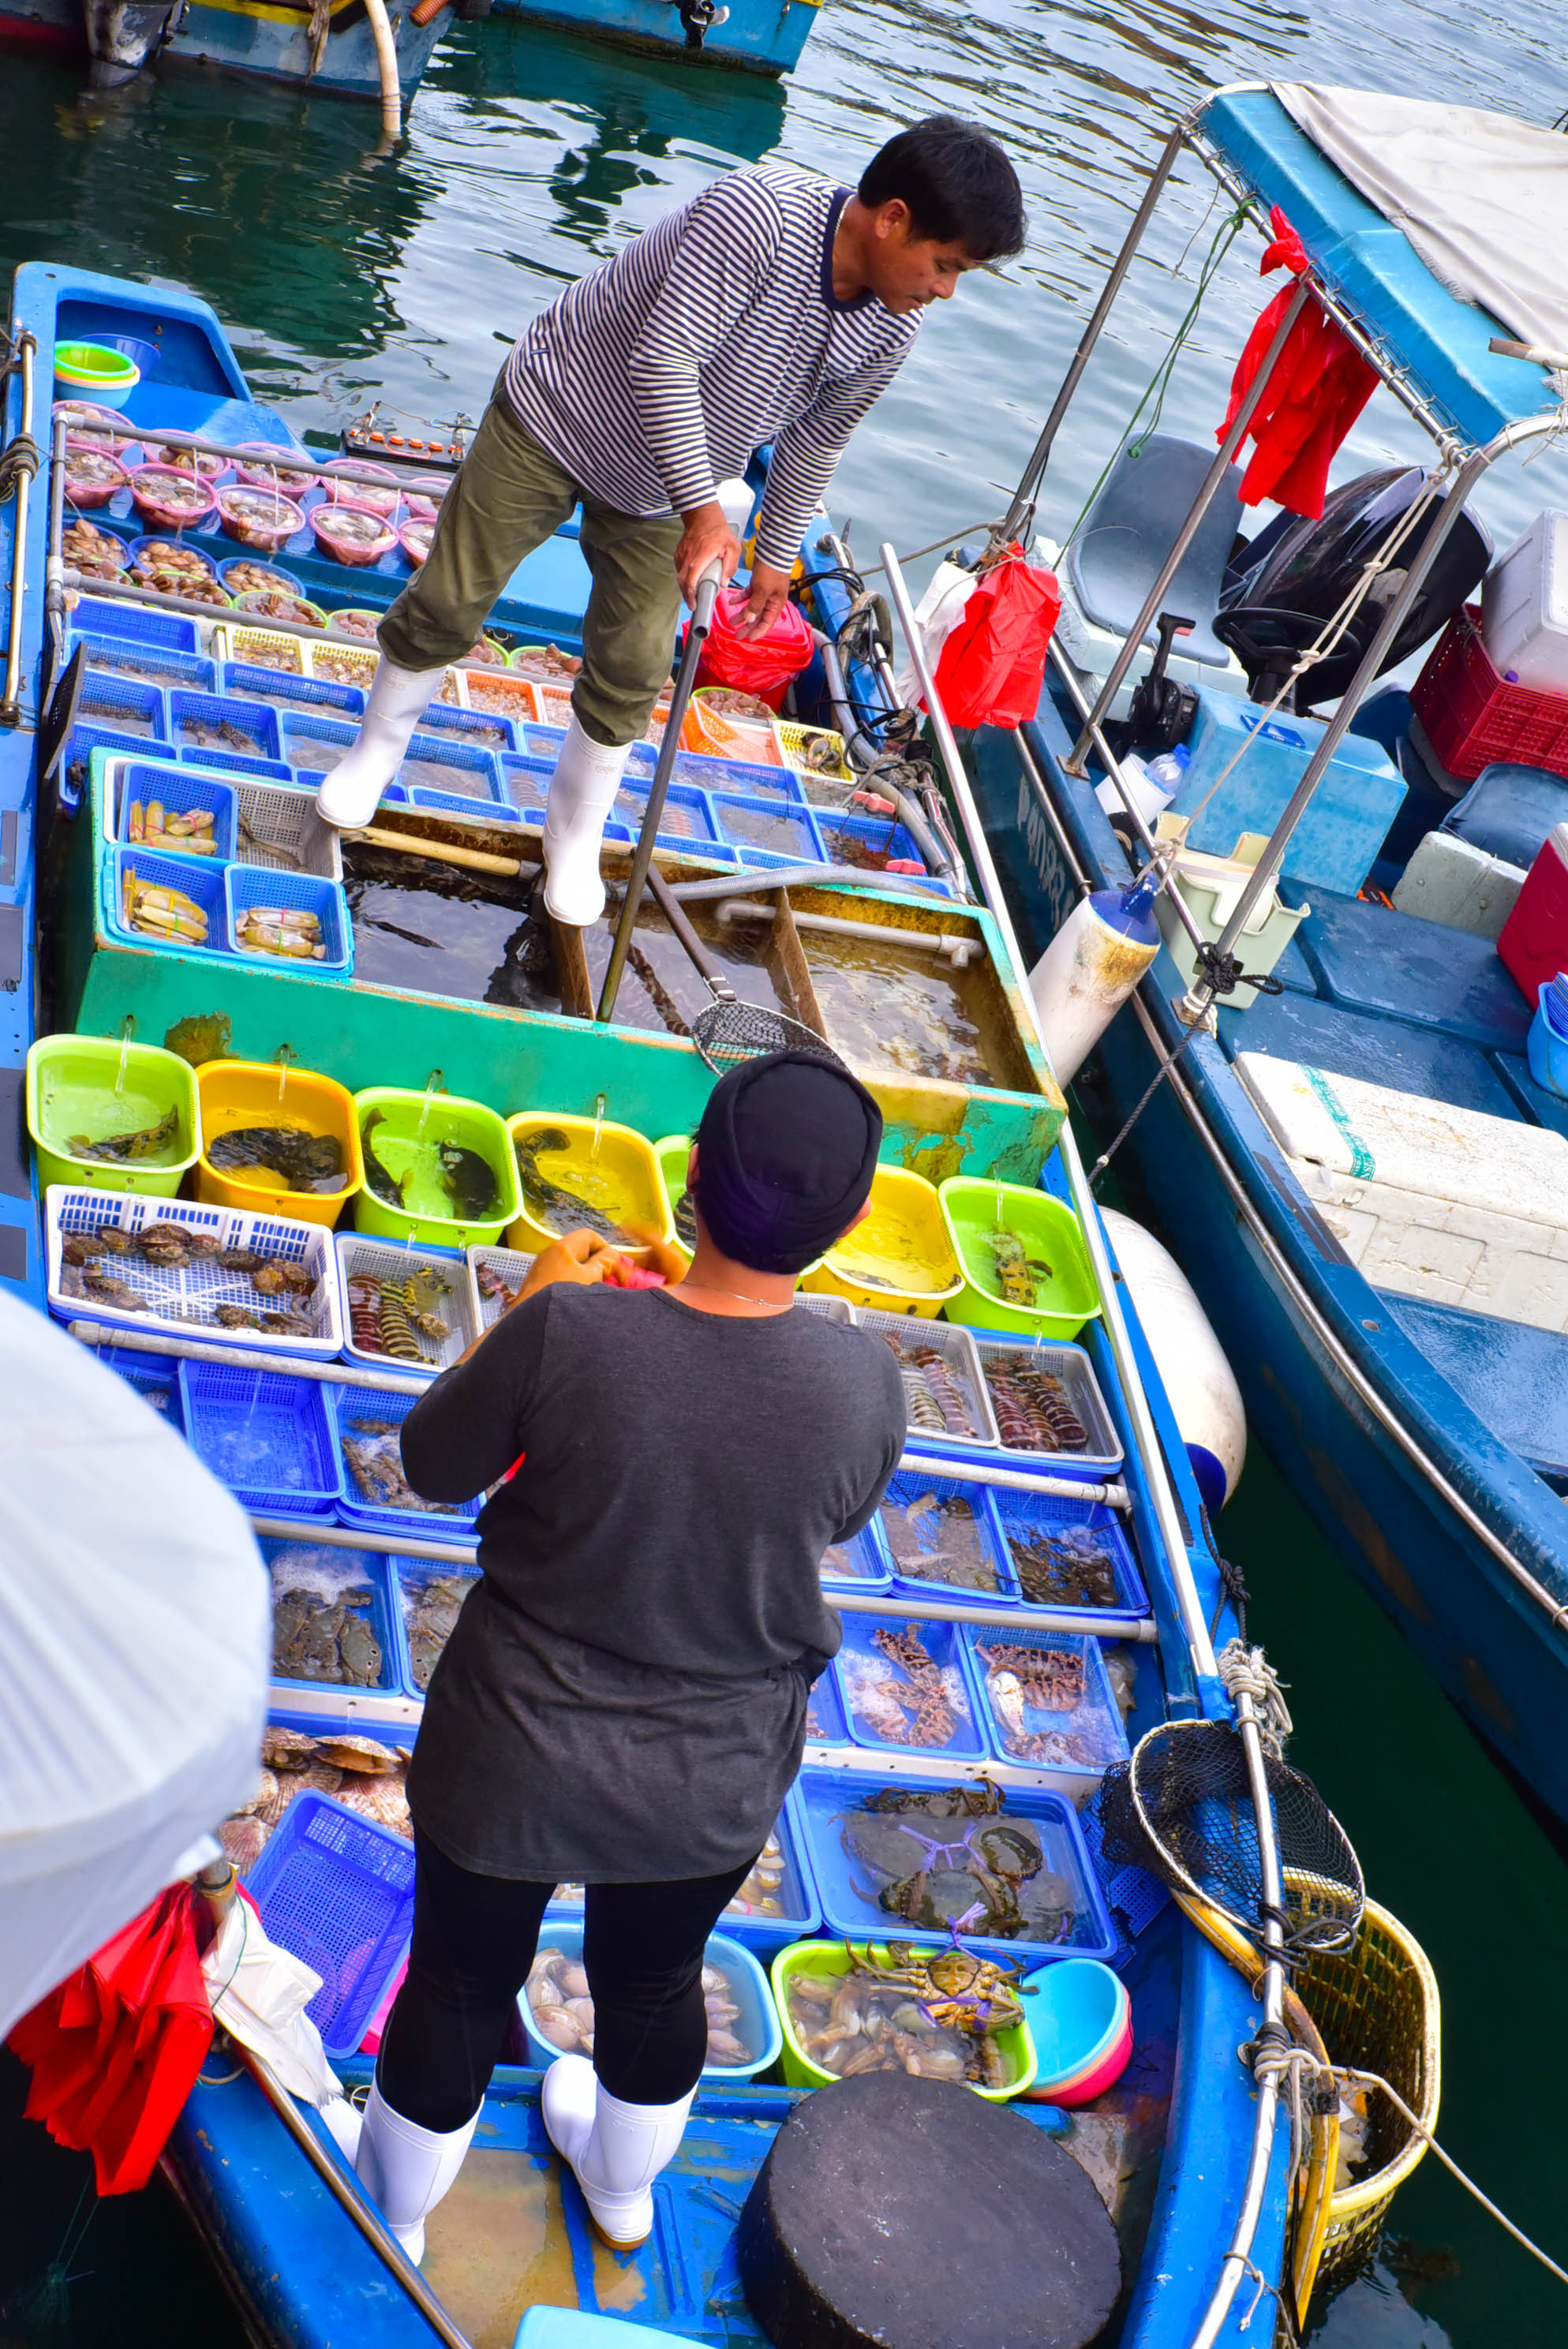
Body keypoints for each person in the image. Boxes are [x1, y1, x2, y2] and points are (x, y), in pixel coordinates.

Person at [354, 1052, 907, 2260]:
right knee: (654, 1986)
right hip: (706, 1779)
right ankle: (619, 2194)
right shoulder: (866, 1383)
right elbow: (828, 1512)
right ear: (852, 1224)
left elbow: (433, 1464)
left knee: (454, 1983)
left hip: (508, 1752)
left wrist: (536, 1306)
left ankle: (395, 2217)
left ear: (691, 1176)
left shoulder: (566, 1329)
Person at [316, 116, 1026, 924]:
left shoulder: (891, 326)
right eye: (943, 265)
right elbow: (664, 360)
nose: (944, 290)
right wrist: (706, 515)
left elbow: (816, 436)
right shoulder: (756, 216)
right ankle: (374, 753)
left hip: (663, 483)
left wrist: (773, 558)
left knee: (635, 660)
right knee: (451, 598)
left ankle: (572, 837)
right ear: (892, 218)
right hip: (558, 414)